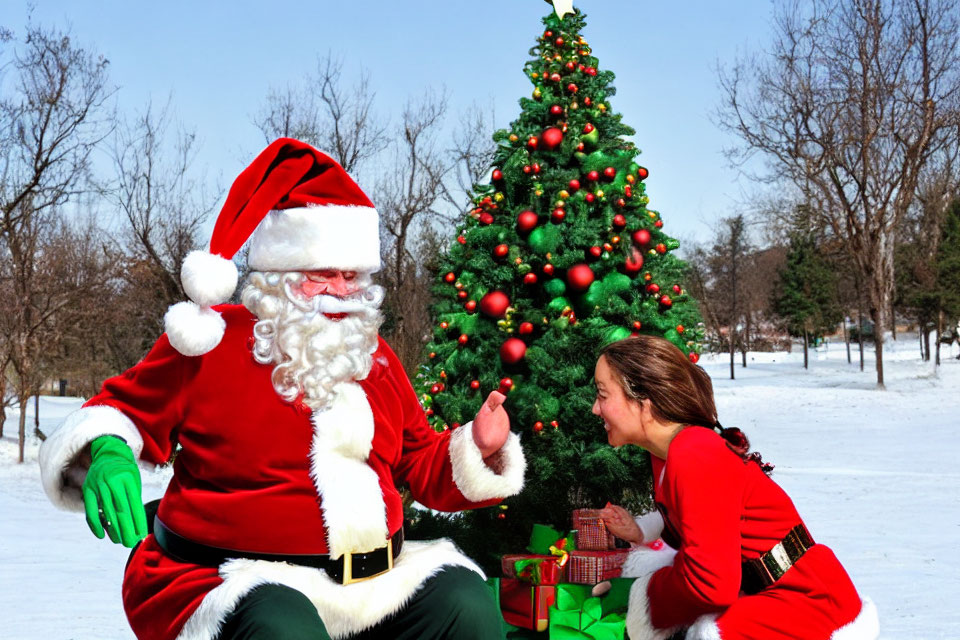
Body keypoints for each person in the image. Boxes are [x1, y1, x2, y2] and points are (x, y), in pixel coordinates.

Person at [39, 138, 525, 640]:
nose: (341, 290)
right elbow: (119, 410)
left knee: (465, 604)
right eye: (322, 274)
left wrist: (477, 448)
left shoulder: (373, 356)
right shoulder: (210, 343)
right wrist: (108, 450)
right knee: (282, 627)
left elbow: (419, 459)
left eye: (351, 275)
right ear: (278, 275)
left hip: (375, 583)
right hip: (238, 579)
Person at [592, 336, 879, 640]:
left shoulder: (694, 452)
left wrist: (643, 596)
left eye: (603, 394)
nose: (595, 409)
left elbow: (709, 583)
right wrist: (640, 533)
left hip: (806, 603)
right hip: (770, 598)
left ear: (644, 400)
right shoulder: (668, 454)